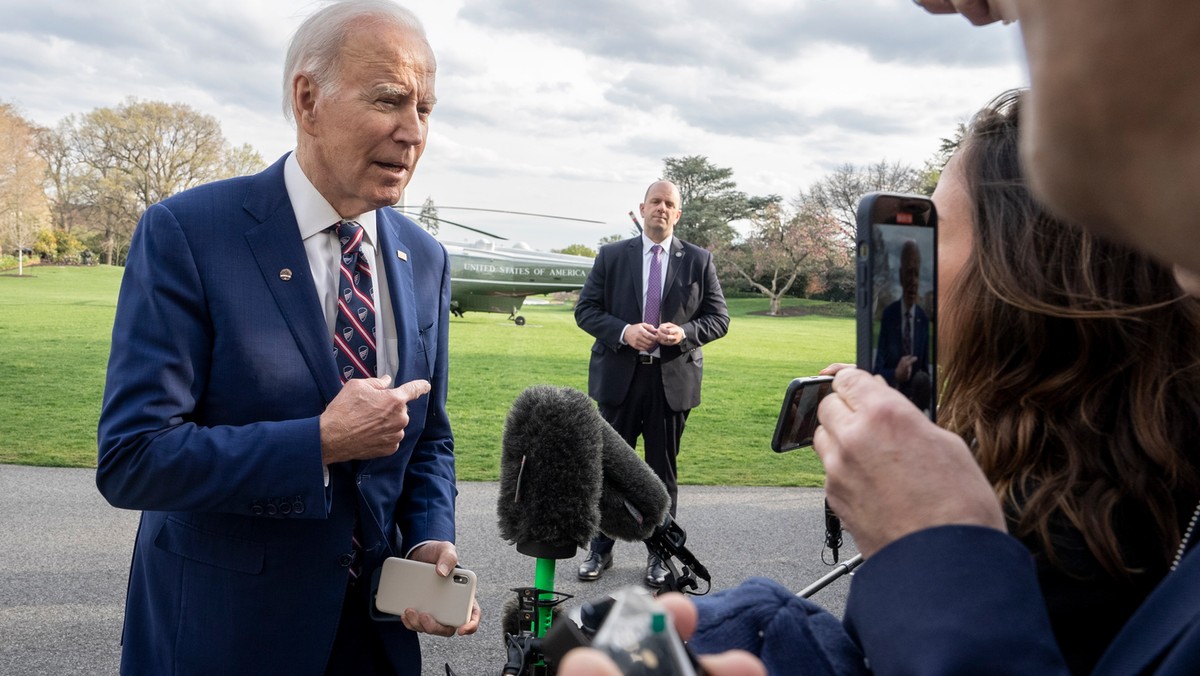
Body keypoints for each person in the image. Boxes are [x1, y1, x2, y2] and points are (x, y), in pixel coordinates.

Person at [810, 1, 1200, 674]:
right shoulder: (1170, 474)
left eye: (937, 233)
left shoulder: (1040, 534)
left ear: (1016, 274)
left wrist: (930, 549)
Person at [95, 2, 479, 674]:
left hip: (374, 643)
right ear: (308, 100)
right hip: (225, 639)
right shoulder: (190, 234)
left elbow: (429, 439)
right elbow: (134, 458)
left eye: (426, 108)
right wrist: (319, 442)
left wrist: (427, 543)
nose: (413, 131)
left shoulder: (424, 257)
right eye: (390, 99)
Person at [574, 180, 730, 587]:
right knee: (606, 470)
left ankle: (660, 556)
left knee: (662, 475)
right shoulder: (611, 256)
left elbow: (719, 318)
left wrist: (686, 333)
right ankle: (600, 550)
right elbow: (586, 311)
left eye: (670, 204)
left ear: (678, 214)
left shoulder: (698, 259)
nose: (661, 208)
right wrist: (624, 331)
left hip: (670, 384)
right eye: (655, 202)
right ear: (642, 209)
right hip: (619, 381)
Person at [871, 239, 931, 408]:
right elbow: (877, 370)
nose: (913, 281)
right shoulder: (890, 315)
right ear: (900, 275)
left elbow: (925, 374)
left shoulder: (923, 319)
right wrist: (896, 374)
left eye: (917, 274)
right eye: (909, 272)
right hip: (890, 400)